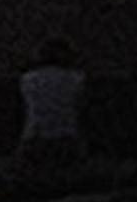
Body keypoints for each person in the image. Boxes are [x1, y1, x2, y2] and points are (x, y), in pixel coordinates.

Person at [16, 38, 87, 184]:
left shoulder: (28, 79)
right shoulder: (77, 78)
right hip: (66, 136)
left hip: (35, 136)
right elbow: (80, 106)